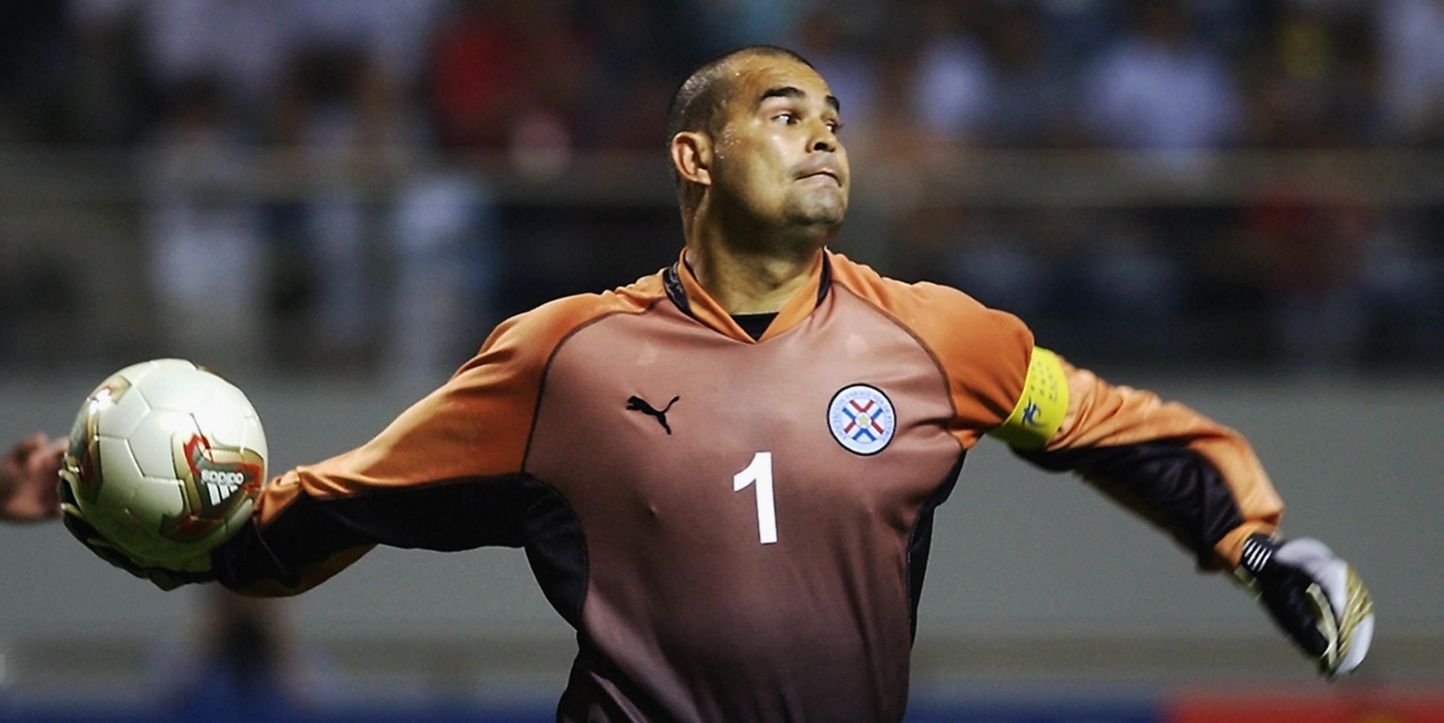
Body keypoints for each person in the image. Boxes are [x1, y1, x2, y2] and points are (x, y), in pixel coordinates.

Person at [13, 46, 1371, 722]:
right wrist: (126, 516)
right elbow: (316, 521)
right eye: (785, 111)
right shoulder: (561, 361)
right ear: (693, 159)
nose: (825, 129)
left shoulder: (941, 341)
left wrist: (1260, 549)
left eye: (833, 115)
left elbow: (1117, 434)